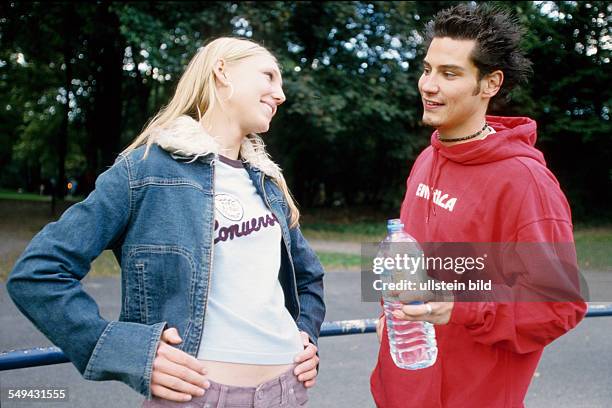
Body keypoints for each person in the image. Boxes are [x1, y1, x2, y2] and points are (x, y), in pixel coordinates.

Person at [7, 37, 325, 407]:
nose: (280, 94)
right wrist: (127, 350)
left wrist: (306, 335)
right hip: (196, 397)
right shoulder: (146, 170)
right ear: (221, 71)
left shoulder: (267, 183)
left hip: (287, 392)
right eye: (269, 76)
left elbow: (309, 277)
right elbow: (38, 274)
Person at [370, 4, 587, 407]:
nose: (428, 85)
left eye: (449, 74)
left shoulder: (525, 182)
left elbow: (561, 305)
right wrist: (391, 315)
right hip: (401, 390)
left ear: (490, 83)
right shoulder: (426, 160)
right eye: (427, 69)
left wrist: (462, 307)